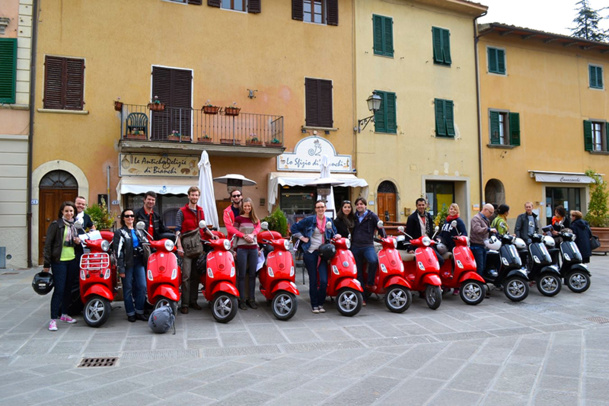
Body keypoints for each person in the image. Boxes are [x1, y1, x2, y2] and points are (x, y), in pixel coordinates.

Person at [291, 200, 338, 314]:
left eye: (322, 207)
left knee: (323, 280)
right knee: (313, 280)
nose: (320, 209)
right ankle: (314, 305)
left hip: (323, 254)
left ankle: (321, 303)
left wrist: (337, 235)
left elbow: (334, 233)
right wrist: (302, 238)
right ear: (315, 209)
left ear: (325, 208)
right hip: (310, 253)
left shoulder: (329, 221)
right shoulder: (309, 220)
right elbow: (294, 228)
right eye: (318, 207)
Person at [175, 186, 216, 314]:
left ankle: (194, 301)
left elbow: (203, 228)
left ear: (198, 196)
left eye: (196, 195)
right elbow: (177, 231)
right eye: (192, 195)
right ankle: (185, 304)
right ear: (188, 196)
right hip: (186, 248)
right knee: (186, 276)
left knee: (196, 276)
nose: (194, 197)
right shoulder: (181, 211)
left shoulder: (200, 211)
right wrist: (179, 247)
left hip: (198, 247)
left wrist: (212, 235)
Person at [42, 201, 81, 331]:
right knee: (59, 290)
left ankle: (64, 314)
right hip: (59, 261)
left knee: (68, 289)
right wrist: (46, 264)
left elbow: (76, 243)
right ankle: (53, 319)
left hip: (72, 260)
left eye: (71, 211)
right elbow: (48, 245)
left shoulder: (74, 226)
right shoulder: (56, 225)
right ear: (62, 212)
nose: (69, 213)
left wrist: (77, 241)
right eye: (66, 211)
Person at [113, 209, 149, 322]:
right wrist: (121, 269)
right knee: (127, 288)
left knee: (142, 287)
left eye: (132, 216)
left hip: (139, 262)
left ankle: (139, 311)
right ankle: (130, 313)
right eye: (127, 216)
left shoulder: (139, 231)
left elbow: (146, 244)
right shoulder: (120, 232)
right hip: (127, 263)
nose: (130, 218)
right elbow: (118, 252)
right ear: (123, 218)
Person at [350, 197, 385, 301]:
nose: (359, 206)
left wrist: (385, 238)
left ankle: (370, 283)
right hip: (355, 246)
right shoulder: (354, 217)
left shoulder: (372, 216)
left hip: (368, 245)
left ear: (365, 205)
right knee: (358, 271)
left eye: (361, 204)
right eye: (357, 204)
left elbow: (380, 227)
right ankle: (362, 295)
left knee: (373, 261)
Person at [233, 198, 261, 310]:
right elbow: (235, 234)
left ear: (251, 207)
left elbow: (256, 234)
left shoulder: (255, 219)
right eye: (245, 206)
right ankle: (242, 300)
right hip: (242, 249)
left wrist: (258, 247)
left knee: (252, 275)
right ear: (242, 207)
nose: (247, 208)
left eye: (249, 206)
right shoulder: (238, 219)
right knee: (242, 275)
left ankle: (252, 299)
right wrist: (234, 250)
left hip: (253, 248)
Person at [470, 203, 497, 278]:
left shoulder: (485, 219)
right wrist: (488, 229)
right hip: (476, 246)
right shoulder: (476, 218)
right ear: (485, 210)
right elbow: (476, 229)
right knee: (480, 267)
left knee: (484, 266)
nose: (491, 214)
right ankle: (477, 283)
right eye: (490, 212)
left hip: (483, 245)